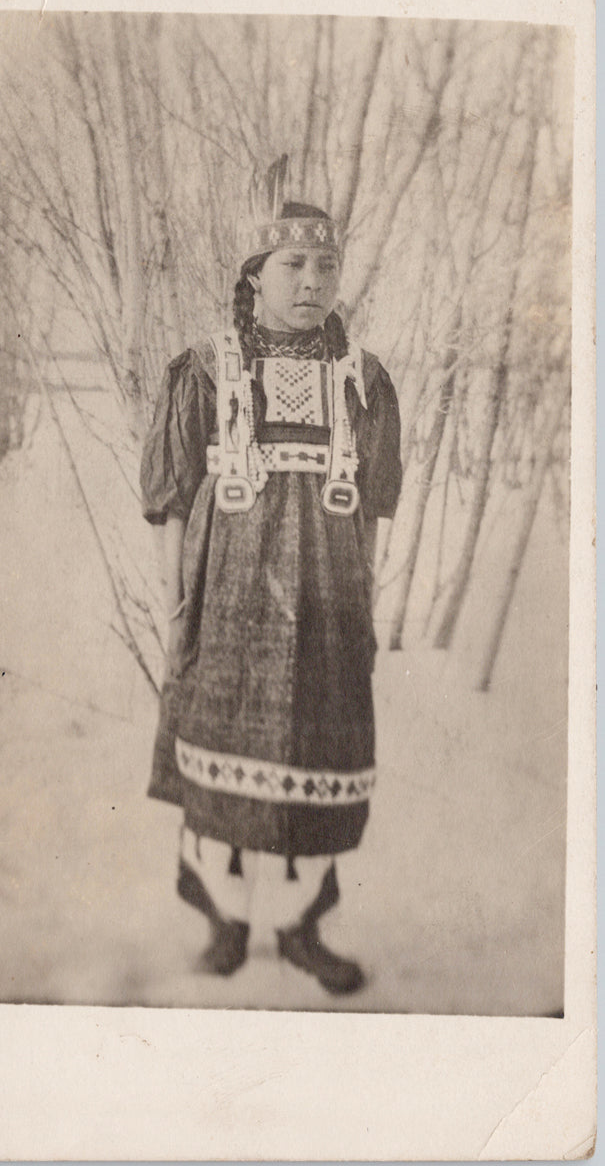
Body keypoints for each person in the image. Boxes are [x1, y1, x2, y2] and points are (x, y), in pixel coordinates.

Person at [140, 173, 402, 995]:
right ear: (255, 273)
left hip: (325, 604)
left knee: (318, 761)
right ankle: (222, 921)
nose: (312, 284)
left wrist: (362, 597)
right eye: (293, 268)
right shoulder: (206, 370)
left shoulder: (364, 379)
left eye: (325, 270)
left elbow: (372, 509)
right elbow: (173, 498)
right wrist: (174, 604)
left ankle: (299, 929)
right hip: (227, 598)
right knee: (219, 760)